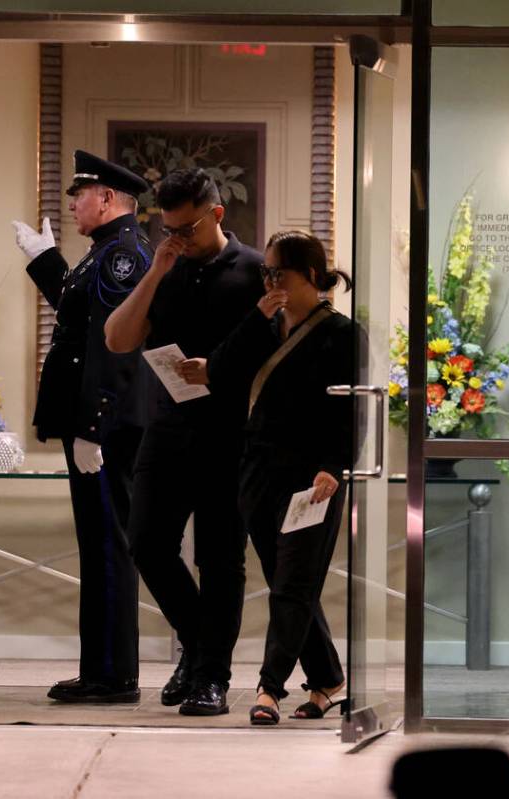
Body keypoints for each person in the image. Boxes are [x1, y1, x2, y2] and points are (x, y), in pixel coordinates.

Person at [104, 168, 264, 716]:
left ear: (217, 215)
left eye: (187, 229)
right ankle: (199, 649)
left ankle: (211, 678)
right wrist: (156, 271)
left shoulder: (256, 272)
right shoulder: (164, 267)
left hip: (231, 434)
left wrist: (221, 372)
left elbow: (276, 358)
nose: (177, 238)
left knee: (221, 560)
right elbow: (118, 338)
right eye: (167, 229)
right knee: (146, 542)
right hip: (168, 427)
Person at [187, 230, 358, 725]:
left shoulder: (342, 334)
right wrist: (258, 316)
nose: (269, 281)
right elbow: (218, 370)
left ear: (309, 275)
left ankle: (269, 688)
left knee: (292, 585)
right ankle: (328, 680)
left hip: (313, 477)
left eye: (277, 272)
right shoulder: (263, 326)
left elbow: (352, 411)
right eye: (266, 272)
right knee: (288, 583)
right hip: (258, 473)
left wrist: (334, 465)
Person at [12, 150, 153, 703]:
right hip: (98, 423)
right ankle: (101, 668)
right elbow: (79, 318)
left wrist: (93, 425)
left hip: (108, 426)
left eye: (81, 194)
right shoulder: (103, 253)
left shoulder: (121, 256)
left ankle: (114, 674)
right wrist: (47, 260)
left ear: (109, 199)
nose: (72, 204)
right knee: (97, 547)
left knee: (109, 546)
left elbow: (113, 347)